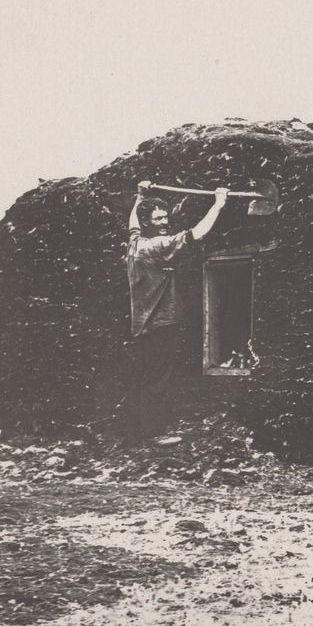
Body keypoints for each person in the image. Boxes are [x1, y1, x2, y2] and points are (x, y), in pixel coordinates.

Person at [123, 182, 230, 439]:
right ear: (148, 222)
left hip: (144, 324)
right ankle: (155, 433)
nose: (163, 221)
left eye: (165, 216)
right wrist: (219, 204)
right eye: (157, 218)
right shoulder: (156, 246)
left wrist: (140, 195)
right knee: (158, 378)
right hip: (161, 323)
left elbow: (132, 222)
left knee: (149, 376)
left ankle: (139, 429)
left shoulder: (136, 242)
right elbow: (196, 234)